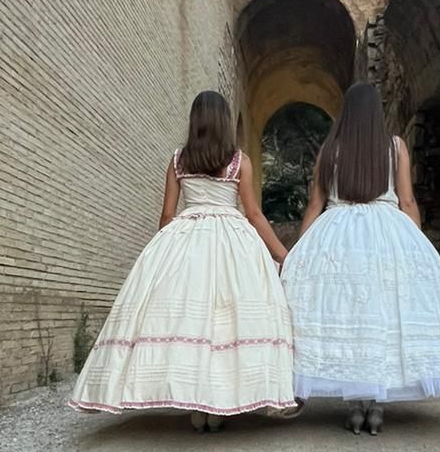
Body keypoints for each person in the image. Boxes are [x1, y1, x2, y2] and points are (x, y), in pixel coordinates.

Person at [70, 91, 296, 430]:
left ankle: (195, 407)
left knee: (185, 320)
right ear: (223, 123)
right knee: (226, 322)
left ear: (195, 122)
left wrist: (166, 251)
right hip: (232, 241)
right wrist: (282, 254)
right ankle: (218, 406)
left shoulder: (178, 160)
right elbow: (253, 214)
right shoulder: (239, 161)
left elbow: (166, 215)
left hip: (185, 236)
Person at [282, 82, 440, 434]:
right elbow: (407, 201)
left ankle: (354, 405)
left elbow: (316, 204)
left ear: (347, 113)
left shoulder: (329, 150)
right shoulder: (395, 148)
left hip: (337, 232)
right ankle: (375, 408)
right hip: (386, 231)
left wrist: (299, 252)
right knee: (381, 314)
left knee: (348, 314)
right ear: (377, 113)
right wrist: (416, 243)